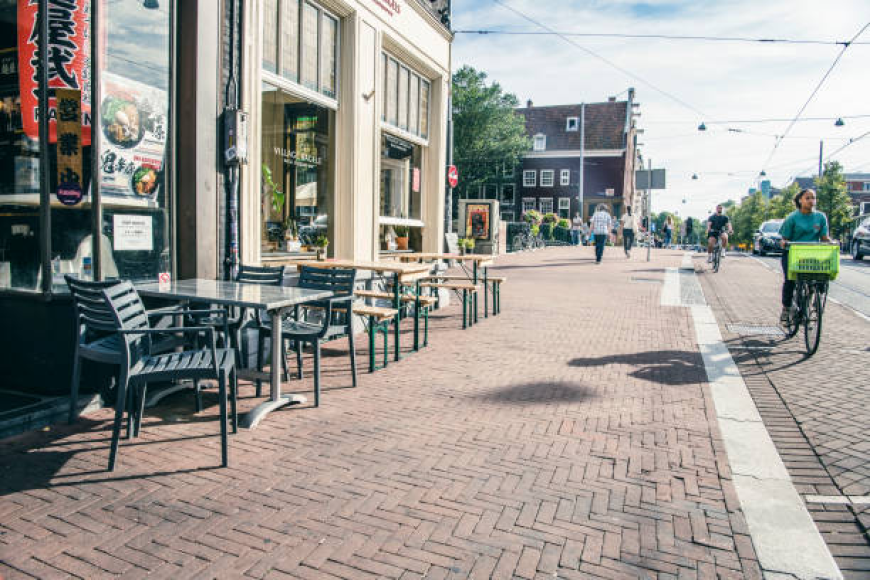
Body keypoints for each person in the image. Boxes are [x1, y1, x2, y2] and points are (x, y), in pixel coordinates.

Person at [778, 188, 835, 323]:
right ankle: (786, 308)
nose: (811, 201)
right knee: (790, 280)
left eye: (813, 198)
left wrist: (831, 242)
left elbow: (824, 236)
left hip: (812, 254)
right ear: (800, 200)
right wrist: (784, 243)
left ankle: (812, 301)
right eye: (808, 198)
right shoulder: (792, 218)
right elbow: (784, 238)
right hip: (793, 254)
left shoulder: (820, 217)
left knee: (821, 277)